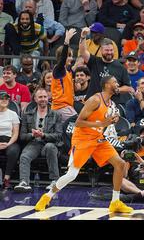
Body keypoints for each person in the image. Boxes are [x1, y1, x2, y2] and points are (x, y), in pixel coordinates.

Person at [35, 76, 133, 213]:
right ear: (106, 85)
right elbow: (78, 122)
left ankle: (115, 202)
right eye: (115, 82)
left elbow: (103, 120)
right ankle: (47, 197)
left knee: (120, 164)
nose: (117, 84)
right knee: (72, 174)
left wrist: (112, 120)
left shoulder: (110, 102)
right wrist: (101, 124)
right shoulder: (95, 100)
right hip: (83, 139)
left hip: (98, 138)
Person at [14, 87, 62, 193]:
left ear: (48, 98)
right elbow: (22, 136)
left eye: (45, 96)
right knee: (25, 156)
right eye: (40, 97)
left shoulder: (56, 114)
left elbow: (58, 135)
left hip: (49, 143)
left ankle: (55, 181)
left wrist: (44, 135)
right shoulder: (27, 114)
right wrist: (32, 135)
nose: (43, 99)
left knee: (50, 147)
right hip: (34, 142)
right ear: (35, 99)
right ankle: (24, 182)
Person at [79, 27, 133, 106]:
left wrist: (117, 90)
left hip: (111, 104)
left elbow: (128, 88)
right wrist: (83, 37)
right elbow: (83, 51)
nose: (109, 52)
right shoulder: (94, 61)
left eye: (111, 50)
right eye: (107, 50)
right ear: (101, 51)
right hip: (93, 102)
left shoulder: (121, 67)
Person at [51, 29, 78, 122]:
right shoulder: (59, 70)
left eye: (71, 56)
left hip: (66, 107)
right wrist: (66, 42)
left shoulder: (68, 71)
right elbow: (62, 59)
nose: (71, 58)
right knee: (78, 123)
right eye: (69, 56)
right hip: (61, 107)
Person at [0, 90, 20, 189]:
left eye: (6, 98)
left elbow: (15, 132)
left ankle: (6, 178)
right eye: (1, 98)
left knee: (13, 151)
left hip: (9, 140)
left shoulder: (13, 114)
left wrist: (8, 144)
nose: (4, 100)